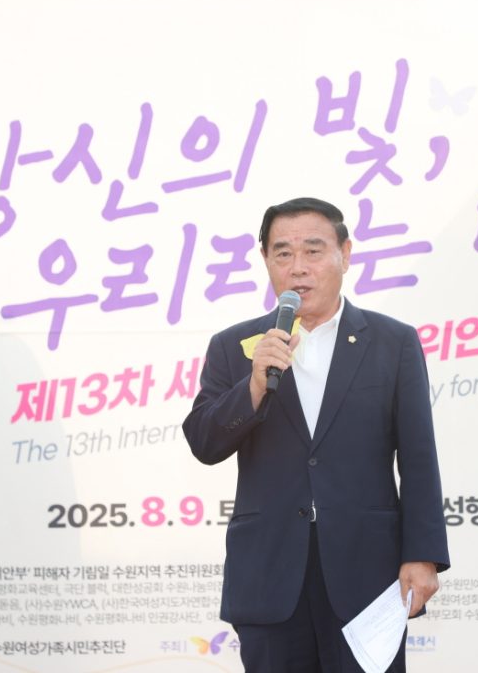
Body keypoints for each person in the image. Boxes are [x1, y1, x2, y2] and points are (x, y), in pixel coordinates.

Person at [182, 197, 449, 673]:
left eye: (313, 250)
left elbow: (418, 457)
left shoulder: (393, 343)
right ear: (265, 259)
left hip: (366, 576)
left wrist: (423, 555)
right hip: (269, 576)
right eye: (283, 253)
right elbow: (204, 442)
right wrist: (254, 386)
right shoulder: (234, 347)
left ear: (345, 254)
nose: (298, 268)